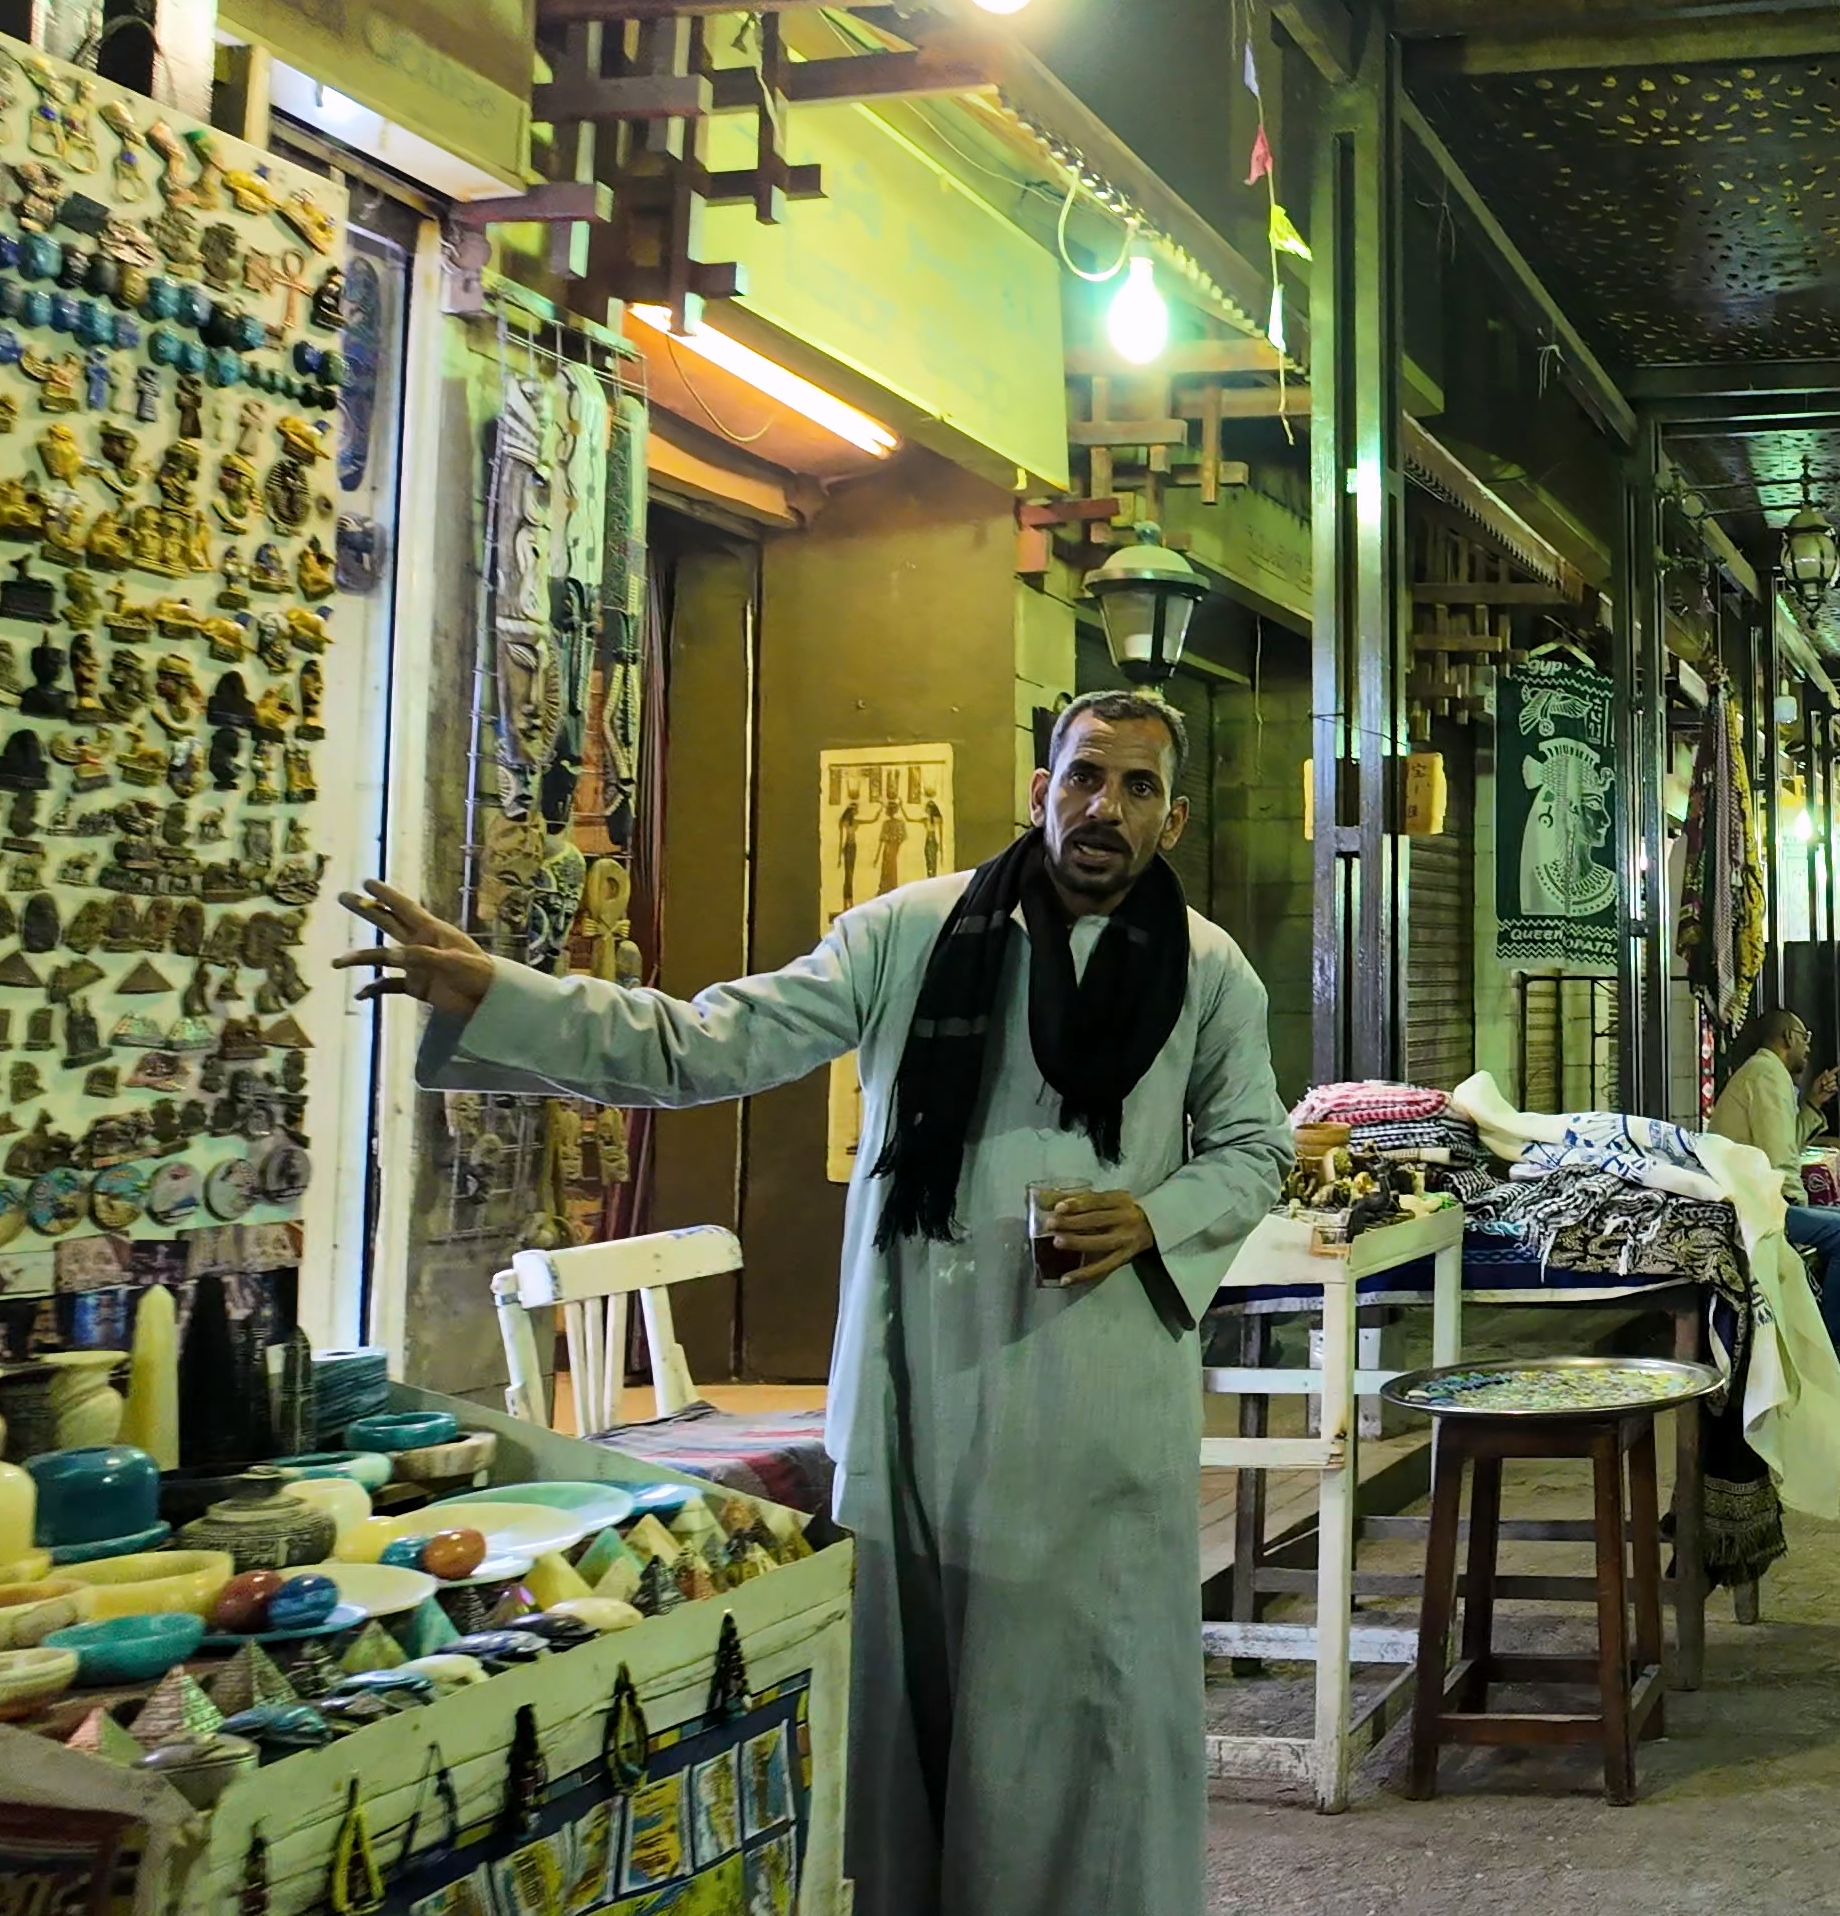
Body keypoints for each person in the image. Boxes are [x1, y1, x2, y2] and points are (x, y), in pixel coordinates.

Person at [340, 689, 1287, 1915]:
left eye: (1137, 787)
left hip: (1091, 1401)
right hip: (914, 1385)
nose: (1104, 807)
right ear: (1041, 789)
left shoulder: (1209, 971)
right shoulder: (908, 933)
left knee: (1079, 1704)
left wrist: (1155, 1213)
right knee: (901, 1697)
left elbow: (1256, 1147)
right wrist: (499, 992)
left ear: (1174, 818)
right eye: (1085, 776)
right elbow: (707, 1045)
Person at [1707, 1009, 1840, 1373]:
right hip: (1749, 1207)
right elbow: (1779, 1158)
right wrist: (1793, 1205)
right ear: (1788, 1037)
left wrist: (1813, 1104)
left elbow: (1786, 1143)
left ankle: (1827, 1335)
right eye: (1805, 1038)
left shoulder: (1767, 1072)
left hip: (1756, 1197)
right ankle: (1825, 1345)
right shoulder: (1766, 1074)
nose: (1808, 1048)